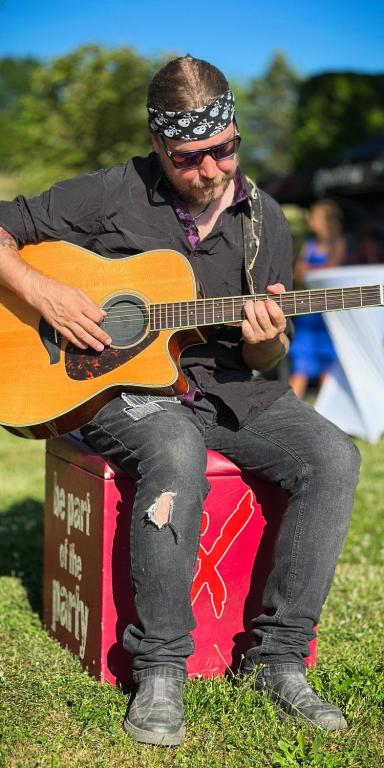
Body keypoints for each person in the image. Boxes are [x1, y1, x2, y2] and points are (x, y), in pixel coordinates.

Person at [0, 56, 360, 747]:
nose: (212, 170)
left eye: (225, 150)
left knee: (333, 457)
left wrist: (265, 340)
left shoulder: (267, 221)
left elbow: (267, 358)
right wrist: (42, 291)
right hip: (123, 385)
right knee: (174, 447)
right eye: (191, 158)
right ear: (160, 147)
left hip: (230, 387)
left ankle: (279, 659)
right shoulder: (111, 193)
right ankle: (161, 666)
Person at [289, 200, 348, 399]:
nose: (310, 220)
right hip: (308, 313)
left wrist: (309, 272)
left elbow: (332, 269)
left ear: (324, 220)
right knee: (300, 364)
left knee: (327, 367)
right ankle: (292, 410)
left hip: (328, 315)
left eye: (313, 216)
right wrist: (312, 272)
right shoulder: (310, 244)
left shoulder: (338, 243)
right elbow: (298, 273)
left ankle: (326, 413)